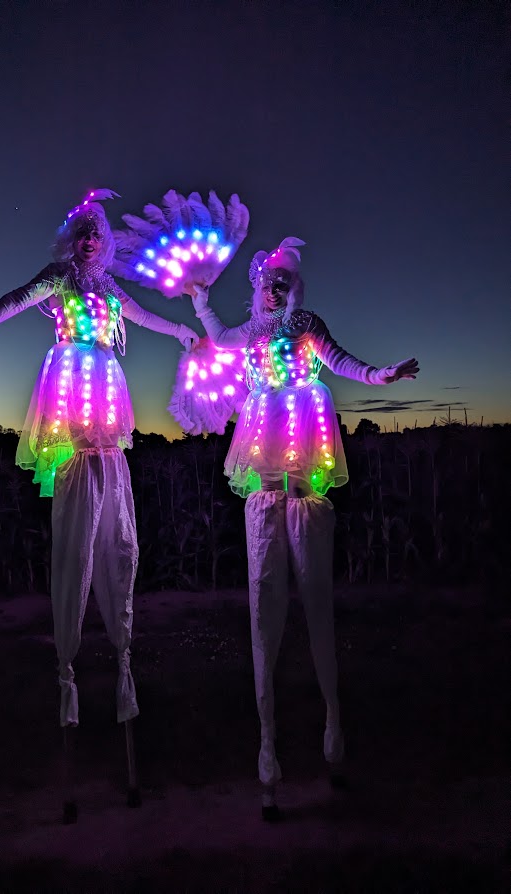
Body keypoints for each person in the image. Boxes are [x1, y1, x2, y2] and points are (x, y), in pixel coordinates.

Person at [0, 190, 198, 739]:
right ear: (71, 241)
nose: (89, 241)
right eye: (82, 233)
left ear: (104, 242)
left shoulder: (109, 287)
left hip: (104, 386)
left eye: (96, 233)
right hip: (71, 382)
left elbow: (143, 315)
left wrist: (181, 331)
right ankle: (69, 669)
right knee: (79, 485)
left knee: (110, 489)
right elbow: (18, 298)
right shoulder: (60, 277)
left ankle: (120, 661)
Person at [183, 237, 418, 819]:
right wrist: (201, 302)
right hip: (264, 475)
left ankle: (333, 729)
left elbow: (341, 361)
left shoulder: (308, 326)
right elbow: (221, 338)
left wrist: (381, 375)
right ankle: (267, 749)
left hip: (306, 477)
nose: (274, 288)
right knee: (264, 612)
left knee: (317, 607)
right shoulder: (252, 332)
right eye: (268, 281)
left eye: (282, 282)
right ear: (258, 285)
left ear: (293, 288)